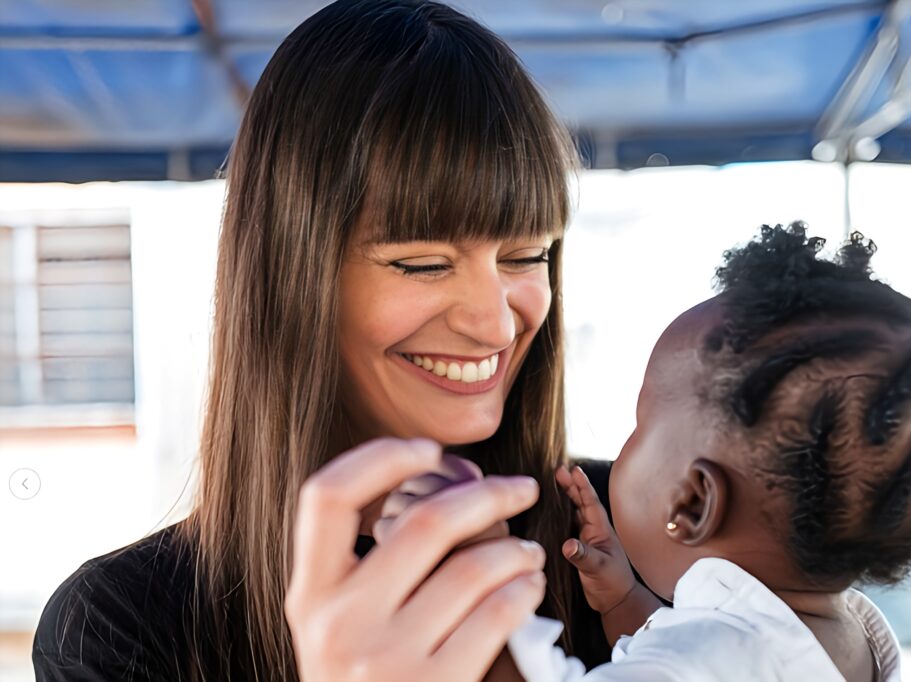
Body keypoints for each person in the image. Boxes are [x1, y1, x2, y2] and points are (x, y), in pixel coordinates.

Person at [31, 2, 613, 680]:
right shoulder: (119, 624)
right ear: (290, 274)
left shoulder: (625, 533)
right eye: (422, 264)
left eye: (525, 256)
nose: (496, 323)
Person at [505, 224, 911, 681]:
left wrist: (491, 614)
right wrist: (621, 600)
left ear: (693, 503)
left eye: (639, 426)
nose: (624, 448)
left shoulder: (726, 653)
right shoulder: (851, 637)